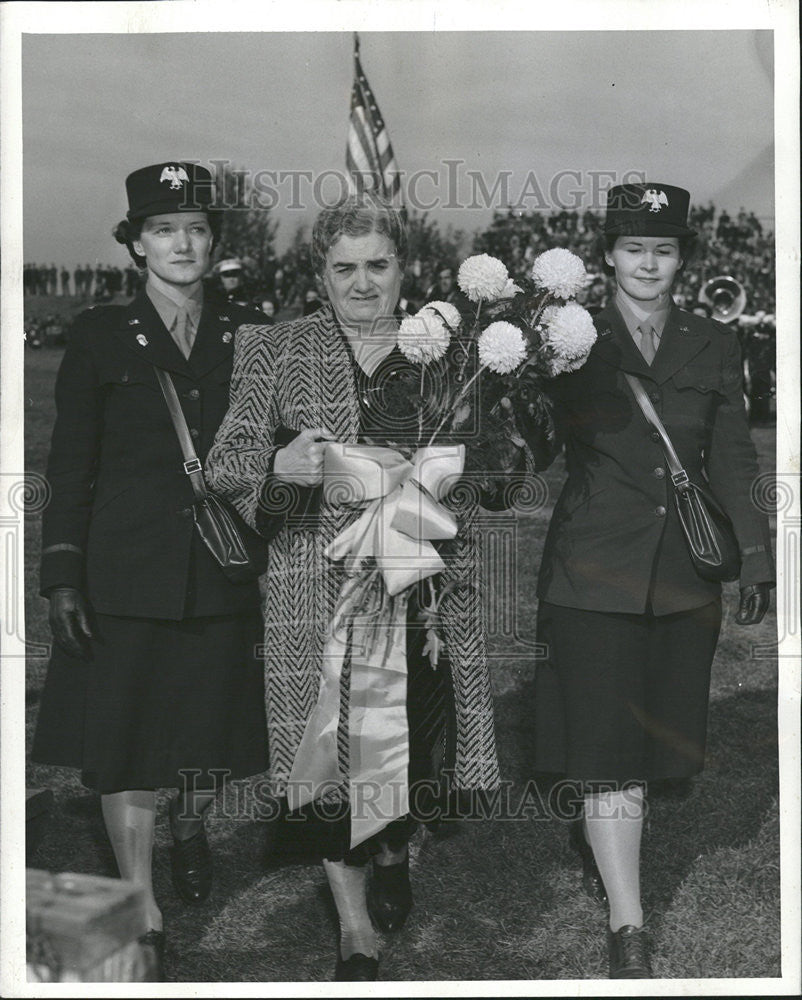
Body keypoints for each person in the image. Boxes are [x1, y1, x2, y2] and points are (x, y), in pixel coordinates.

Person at [205, 194, 546, 981]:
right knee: (326, 754)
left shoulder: (445, 351)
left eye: (378, 265)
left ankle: (393, 844)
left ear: (405, 268)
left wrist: (497, 449)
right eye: (344, 268)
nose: (363, 284)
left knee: (410, 749)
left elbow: (503, 473)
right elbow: (227, 459)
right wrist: (277, 467)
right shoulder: (273, 347)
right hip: (312, 590)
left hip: (422, 594)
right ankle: (353, 927)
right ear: (319, 275)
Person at [30, 161, 269, 972]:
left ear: (215, 244)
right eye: (162, 230)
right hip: (123, 570)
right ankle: (142, 898)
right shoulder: (101, 335)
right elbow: (72, 462)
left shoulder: (252, 333)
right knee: (126, 739)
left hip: (220, 569)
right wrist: (61, 571)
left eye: (195, 229)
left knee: (209, 735)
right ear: (136, 244)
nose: (180, 244)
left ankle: (191, 823)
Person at [532, 182, 774, 978]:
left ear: (682, 260)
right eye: (633, 247)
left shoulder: (714, 340)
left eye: (663, 250)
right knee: (608, 750)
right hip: (591, 570)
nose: (648, 263)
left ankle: (605, 838)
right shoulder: (570, 338)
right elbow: (529, 443)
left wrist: (757, 558)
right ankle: (628, 924)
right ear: (607, 254)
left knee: (655, 748)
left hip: (682, 574)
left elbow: (735, 456)